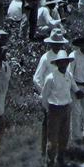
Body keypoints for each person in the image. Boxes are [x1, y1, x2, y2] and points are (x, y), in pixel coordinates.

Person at [40, 50, 84, 167]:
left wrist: (78, 92)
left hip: (66, 108)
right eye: (61, 62)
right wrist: (48, 110)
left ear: (67, 63)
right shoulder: (50, 78)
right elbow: (44, 97)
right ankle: (50, 162)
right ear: (57, 63)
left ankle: (61, 159)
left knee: (64, 136)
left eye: (65, 62)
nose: (63, 65)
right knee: (52, 138)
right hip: (54, 109)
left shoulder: (68, 75)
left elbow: (74, 86)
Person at [33, 28, 69, 159]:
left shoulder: (63, 55)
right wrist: (44, 93)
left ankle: (61, 154)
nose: (57, 46)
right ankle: (46, 154)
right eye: (55, 44)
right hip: (50, 97)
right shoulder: (46, 58)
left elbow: (68, 75)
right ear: (50, 44)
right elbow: (36, 78)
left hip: (63, 96)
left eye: (59, 44)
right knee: (49, 126)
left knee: (63, 127)